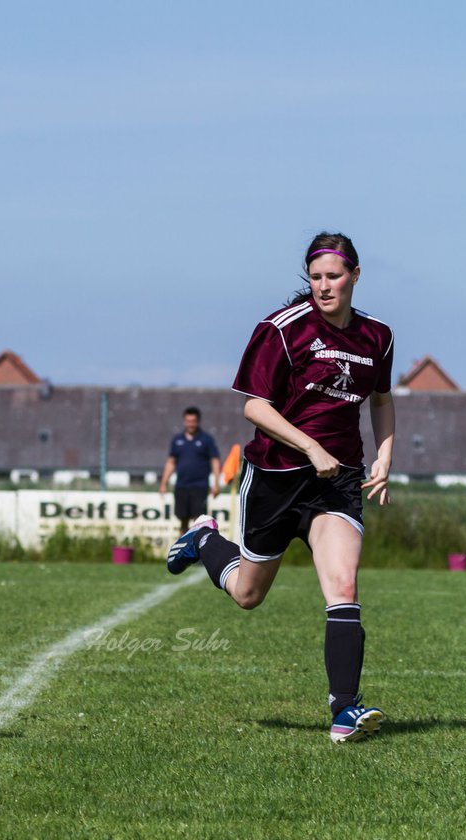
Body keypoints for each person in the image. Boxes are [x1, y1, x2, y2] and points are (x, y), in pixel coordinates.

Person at [166, 232, 394, 744]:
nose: (324, 286)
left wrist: (384, 453)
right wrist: (311, 447)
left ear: (355, 275)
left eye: (334, 276)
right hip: (275, 479)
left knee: (344, 587)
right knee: (248, 595)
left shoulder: (378, 336)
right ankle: (205, 539)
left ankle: (343, 712)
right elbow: (254, 407)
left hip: (337, 484)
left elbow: (380, 398)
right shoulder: (280, 330)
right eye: (315, 278)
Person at [158, 407, 222, 533]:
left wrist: (216, 483)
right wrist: (163, 483)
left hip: (200, 486)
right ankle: (183, 549)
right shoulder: (177, 440)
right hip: (181, 486)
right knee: (182, 520)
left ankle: (197, 551)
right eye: (188, 421)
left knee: (199, 522)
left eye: (193, 421)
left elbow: (215, 461)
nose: (190, 424)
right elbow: (171, 462)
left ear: (198, 421)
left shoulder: (206, 439)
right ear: (184, 421)